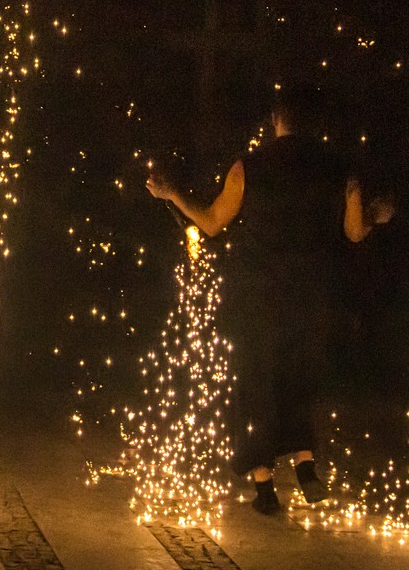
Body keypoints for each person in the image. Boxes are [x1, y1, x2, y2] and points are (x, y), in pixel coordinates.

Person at [146, 85, 368, 515]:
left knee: (256, 382)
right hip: (314, 292)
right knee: (300, 374)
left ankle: (265, 487)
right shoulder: (343, 171)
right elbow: (355, 232)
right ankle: (305, 463)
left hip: (260, 293)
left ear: (275, 123)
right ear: (315, 125)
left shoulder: (249, 168)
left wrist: (171, 194)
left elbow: (211, 222)